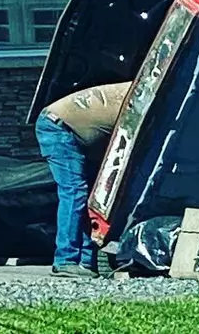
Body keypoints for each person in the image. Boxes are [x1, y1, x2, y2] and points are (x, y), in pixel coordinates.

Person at [35, 81, 132, 278]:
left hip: (80, 134)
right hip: (58, 127)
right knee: (74, 191)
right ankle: (65, 260)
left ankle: (87, 262)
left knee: (93, 196)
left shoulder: (144, 93)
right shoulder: (140, 101)